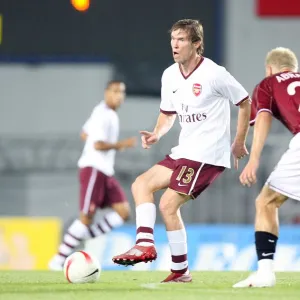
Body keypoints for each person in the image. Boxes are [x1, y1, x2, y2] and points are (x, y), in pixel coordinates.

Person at [112, 19, 251, 283]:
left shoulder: (214, 73)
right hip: (184, 151)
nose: (175, 45)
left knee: (168, 204)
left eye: (182, 40)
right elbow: (167, 114)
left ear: (197, 44)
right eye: (173, 39)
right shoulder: (170, 75)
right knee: (141, 184)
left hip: (207, 154)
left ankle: (176, 268)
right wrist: (156, 133)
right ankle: (156, 253)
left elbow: (245, 102)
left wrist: (238, 141)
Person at [49, 80, 137, 270]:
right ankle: (58, 260)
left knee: (123, 212)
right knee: (87, 216)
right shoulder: (103, 114)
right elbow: (97, 144)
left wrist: (96, 143)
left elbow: (84, 134)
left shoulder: (104, 112)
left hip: (105, 171)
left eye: (121, 92)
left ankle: (82, 236)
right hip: (94, 168)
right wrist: (122, 144)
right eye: (114, 91)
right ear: (106, 92)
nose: (118, 96)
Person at [233, 47, 300, 288]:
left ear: (269, 68)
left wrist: (254, 158)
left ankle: (264, 273)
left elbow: (262, 117)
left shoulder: (268, 83)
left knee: (266, 202)